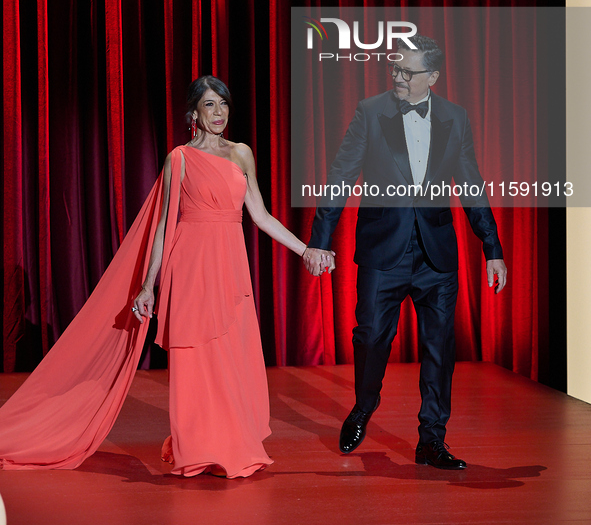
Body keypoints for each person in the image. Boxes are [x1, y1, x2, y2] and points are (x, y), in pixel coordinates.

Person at [0, 75, 334, 477]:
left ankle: (231, 447)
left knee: (232, 358)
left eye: (223, 104)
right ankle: (197, 450)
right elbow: (163, 226)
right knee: (195, 361)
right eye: (209, 105)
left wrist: (305, 250)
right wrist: (147, 286)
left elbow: (260, 216)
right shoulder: (179, 158)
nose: (218, 113)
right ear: (193, 113)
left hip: (230, 266)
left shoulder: (241, 154)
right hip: (190, 267)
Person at [305, 35, 507, 470]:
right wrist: (319, 241)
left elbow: (471, 184)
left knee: (439, 348)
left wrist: (492, 247)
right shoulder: (370, 112)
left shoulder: (456, 117)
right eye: (394, 69)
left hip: (437, 254)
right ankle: (364, 405)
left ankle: (431, 440)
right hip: (384, 250)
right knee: (372, 336)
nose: (397, 77)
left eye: (406, 72)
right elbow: (340, 176)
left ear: (432, 77)